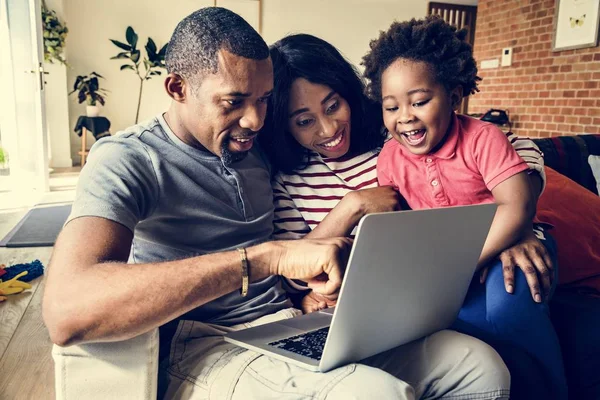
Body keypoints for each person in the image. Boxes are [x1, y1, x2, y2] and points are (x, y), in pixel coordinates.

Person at [42, 8, 510, 400]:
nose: (254, 119)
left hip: (290, 326)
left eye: (265, 100)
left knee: (479, 367)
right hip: (205, 342)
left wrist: (520, 216)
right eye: (234, 102)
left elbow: (452, 144)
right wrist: (265, 257)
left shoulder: (258, 144)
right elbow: (67, 310)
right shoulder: (128, 159)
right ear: (178, 88)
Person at [260, 31, 566, 399]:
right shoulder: (291, 181)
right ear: (284, 124)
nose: (328, 129)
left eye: (332, 106)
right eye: (304, 121)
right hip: (383, 303)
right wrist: (353, 205)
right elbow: (292, 276)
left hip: (442, 272)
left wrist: (514, 226)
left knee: (503, 312)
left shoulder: (393, 139)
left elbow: (518, 151)